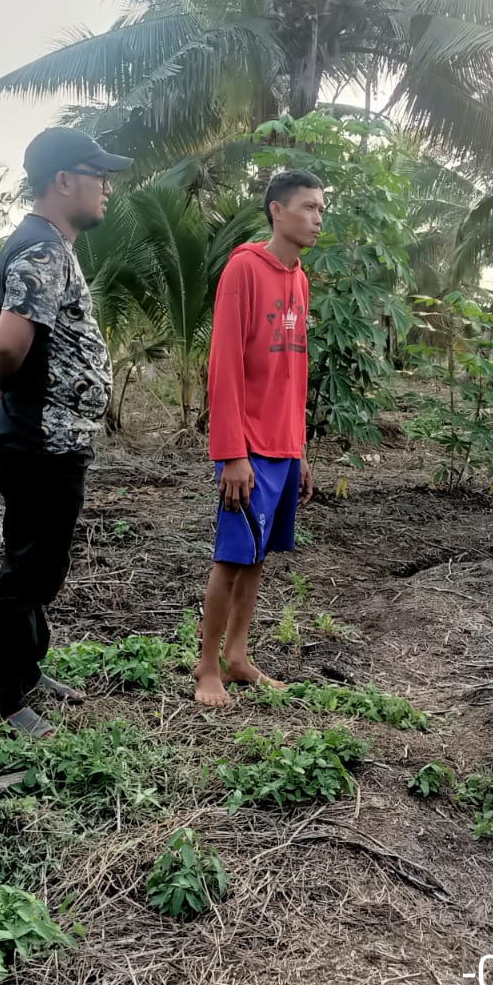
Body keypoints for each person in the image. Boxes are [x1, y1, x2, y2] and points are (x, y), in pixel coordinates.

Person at [0, 127, 130, 737]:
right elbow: (6, 343)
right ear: (62, 181)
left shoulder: (44, 244)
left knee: (40, 564)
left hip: (45, 435)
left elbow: (2, 336)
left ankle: (25, 671)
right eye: (96, 173)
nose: (107, 185)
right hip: (41, 438)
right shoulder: (42, 248)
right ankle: (0, 699)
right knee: (30, 568)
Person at [193, 170, 324, 708]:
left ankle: (239, 657)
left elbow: (295, 376)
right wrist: (232, 454)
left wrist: (300, 451)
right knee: (230, 558)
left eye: (322, 209)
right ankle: (206, 670)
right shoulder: (245, 270)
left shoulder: (299, 280)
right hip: (248, 450)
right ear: (277, 210)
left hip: (283, 447)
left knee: (259, 555)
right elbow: (223, 366)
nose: (318, 218)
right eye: (309, 207)